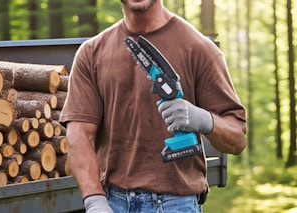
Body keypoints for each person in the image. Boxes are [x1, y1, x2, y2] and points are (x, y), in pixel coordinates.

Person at [60, 0, 247, 212]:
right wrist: (94, 199)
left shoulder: (199, 49)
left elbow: (237, 139)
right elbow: (79, 134)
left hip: (177, 204)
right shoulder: (91, 53)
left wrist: (204, 120)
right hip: (114, 203)